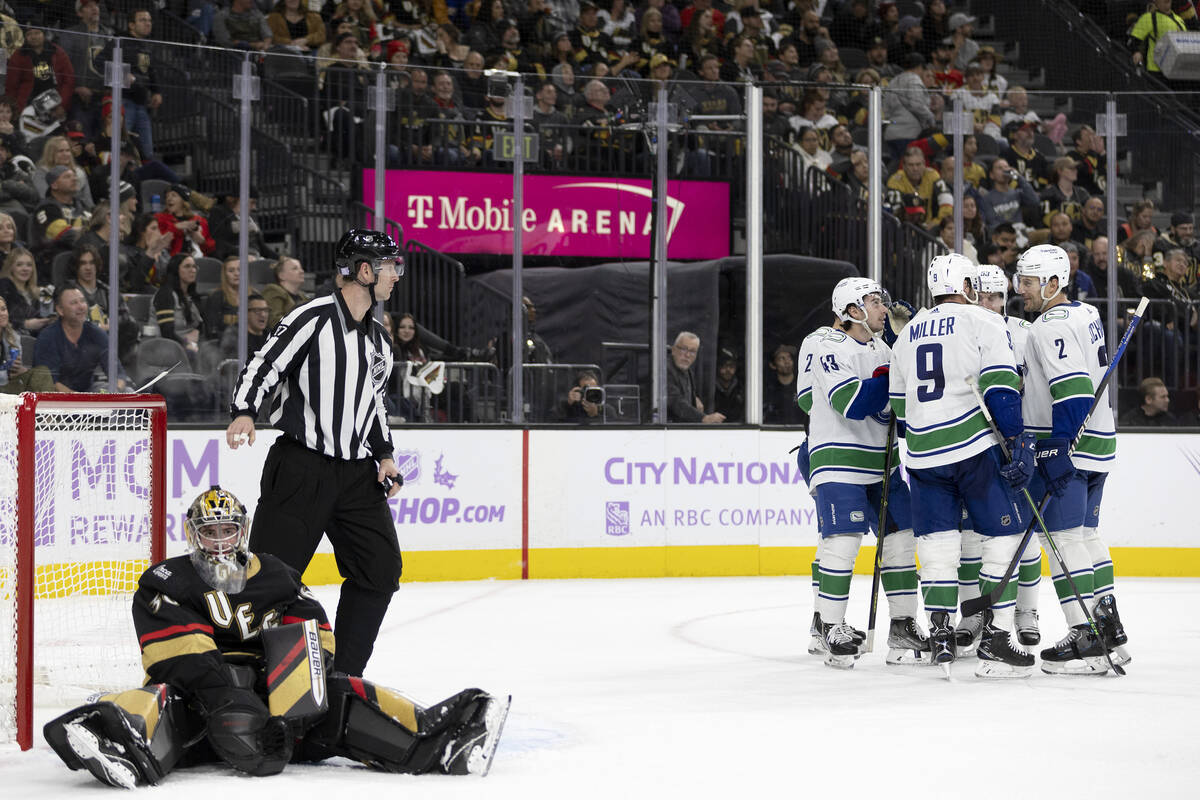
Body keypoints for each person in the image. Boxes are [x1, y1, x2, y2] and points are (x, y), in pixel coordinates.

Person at [42, 486, 508, 789]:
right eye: (211, 531)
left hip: (276, 713)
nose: (221, 541)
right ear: (193, 534)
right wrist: (226, 699)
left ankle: (435, 739)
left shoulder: (279, 575)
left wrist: (296, 711)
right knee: (160, 699)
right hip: (201, 702)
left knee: (345, 693)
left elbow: (313, 639)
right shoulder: (167, 579)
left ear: (243, 530)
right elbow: (178, 651)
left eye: (229, 530)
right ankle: (113, 741)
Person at [226, 229, 403, 679]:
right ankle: (238, 679)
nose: (395, 275)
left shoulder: (380, 340)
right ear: (364, 271)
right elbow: (264, 364)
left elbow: (374, 402)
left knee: (380, 571)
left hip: (357, 477)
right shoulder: (312, 318)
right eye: (389, 266)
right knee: (265, 583)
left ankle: (343, 678)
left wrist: (384, 453)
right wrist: (245, 411)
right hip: (300, 469)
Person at [889, 254, 1036, 677]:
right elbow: (1000, 386)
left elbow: (900, 405)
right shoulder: (982, 321)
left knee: (936, 545)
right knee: (1003, 535)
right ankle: (996, 636)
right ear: (968, 286)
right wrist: (1017, 439)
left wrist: (913, 449)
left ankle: (939, 632)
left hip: (921, 453)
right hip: (971, 446)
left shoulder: (908, 333)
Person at [1014, 244, 1128, 674]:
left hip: (1071, 446)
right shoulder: (1085, 313)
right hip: (1099, 441)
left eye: (1028, 282)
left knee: (1062, 541)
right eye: (1020, 280)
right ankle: (1107, 623)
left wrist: (1058, 446)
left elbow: (1075, 389)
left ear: (1053, 283)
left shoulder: (1048, 326)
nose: (1019, 290)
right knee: (1084, 536)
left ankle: (1086, 638)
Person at [807, 277, 925, 669]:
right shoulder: (829, 346)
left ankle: (903, 624)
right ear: (853, 311)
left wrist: (906, 348)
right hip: (839, 460)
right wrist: (894, 376)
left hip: (883, 461)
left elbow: (901, 408)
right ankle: (830, 627)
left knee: (903, 537)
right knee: (842, 542)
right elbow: (851, 402)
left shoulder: (884, 348)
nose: (882, 308)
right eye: (874, 302)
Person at [976, 263, 1042, 647]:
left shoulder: (1025, 332)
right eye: (982, 295)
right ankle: (978, 614)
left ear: (1006, 297)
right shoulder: (964, 331)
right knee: (976, 537)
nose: (988, 302)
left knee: (1027, 535)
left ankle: (1026, 611)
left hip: (1019, 443)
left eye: (995, 296)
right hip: (979, 445)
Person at [33, 285, 128, 392]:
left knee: (128, 391)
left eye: (82, 301)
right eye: (74, 303)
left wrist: (117, 391)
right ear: (60, 310)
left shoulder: (96, 333)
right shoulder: (47, 337)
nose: (81, 306)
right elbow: (50, 382)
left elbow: (117, 373)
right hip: (55, 398)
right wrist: (80, 401)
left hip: (87, 392)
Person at [885, 146, 952, 232]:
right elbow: (897, 212)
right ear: (904, 166)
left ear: (924, 164)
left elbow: (947, 202)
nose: (915, 169)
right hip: (905, 228)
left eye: (918, 164)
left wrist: (936, 222)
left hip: (930, 228)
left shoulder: (932, 175)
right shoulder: (895, 181)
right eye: (911, 165)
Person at [153, 254, 206, 358]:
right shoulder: (165, 294)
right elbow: (167, 333)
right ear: (175, 270)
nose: (193, 270)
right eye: (187, 266)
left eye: (194, 267)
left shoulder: (191, 295)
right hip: (166, 347)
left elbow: (201, 324)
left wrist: (197, 332)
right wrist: (186, 342)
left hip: (190, 346)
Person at [667, 330, 724, 423]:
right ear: (673, 350)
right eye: (683, 349)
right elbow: (675, 402)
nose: (687, 355)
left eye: (692, 351)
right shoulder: (665, 369)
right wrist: (703, 418)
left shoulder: (688, 372)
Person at [0, 294, 54, 392]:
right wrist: (5, 372)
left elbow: (16, 371)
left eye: (3, 309)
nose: (2, 314)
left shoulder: (12, 336)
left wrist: (18, 369)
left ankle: (48, 407)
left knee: (41, 372)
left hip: (8, 385)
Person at [1128, 0, 1188, 81]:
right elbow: (1132, 42)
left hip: (1179, 71)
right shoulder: (1148, 18)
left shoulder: (1180, 20)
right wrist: (1136, 52)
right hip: (1157, 71)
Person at [0, 245, 53, 334]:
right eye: (19, 265)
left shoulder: (38, 292)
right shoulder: (4, 286)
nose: (25, 269)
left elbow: (43, 316)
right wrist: (25, 324)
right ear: (11, 267)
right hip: (12, 337)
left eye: (29, 265)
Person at [155, 183, 215, 258]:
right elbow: (157, 242)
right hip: (172, 261)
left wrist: (201, 241)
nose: (169, 199)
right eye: (167, 196)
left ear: (183, 200)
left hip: (197, 262)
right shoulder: (160, 218)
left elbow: (211, 248)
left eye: (174, 195)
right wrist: (176, 227)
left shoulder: (198, 220)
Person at [259, 255, 309, 330]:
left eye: (301, 268)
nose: (302, 271)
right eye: (295, 268)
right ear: (281, 275)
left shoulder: (303, 297)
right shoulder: (273, 290)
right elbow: (274, 321)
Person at [220, 291, 270, 359]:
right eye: (257, 310)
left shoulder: (270, 335)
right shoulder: (234, 336)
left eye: (266, 310)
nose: (263, 315)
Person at [204, 254, 243, 340]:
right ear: (225, 274)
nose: (236, 274)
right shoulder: (216, 297)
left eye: (239, 270)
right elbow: (211, 330)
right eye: (231, 271)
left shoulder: (254, 296)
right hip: (224, 344)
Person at [763, 343, 803, 424]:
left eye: (789, 357)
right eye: (782, 358)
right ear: (773, 365)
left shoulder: (803, 385)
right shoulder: (768, 389)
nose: (787, 362)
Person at [712, 347, 743, 423]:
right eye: (724, 365)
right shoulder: (710, 388)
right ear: (717, 366)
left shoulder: (741, 389)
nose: (728, 370)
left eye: (732, 366)